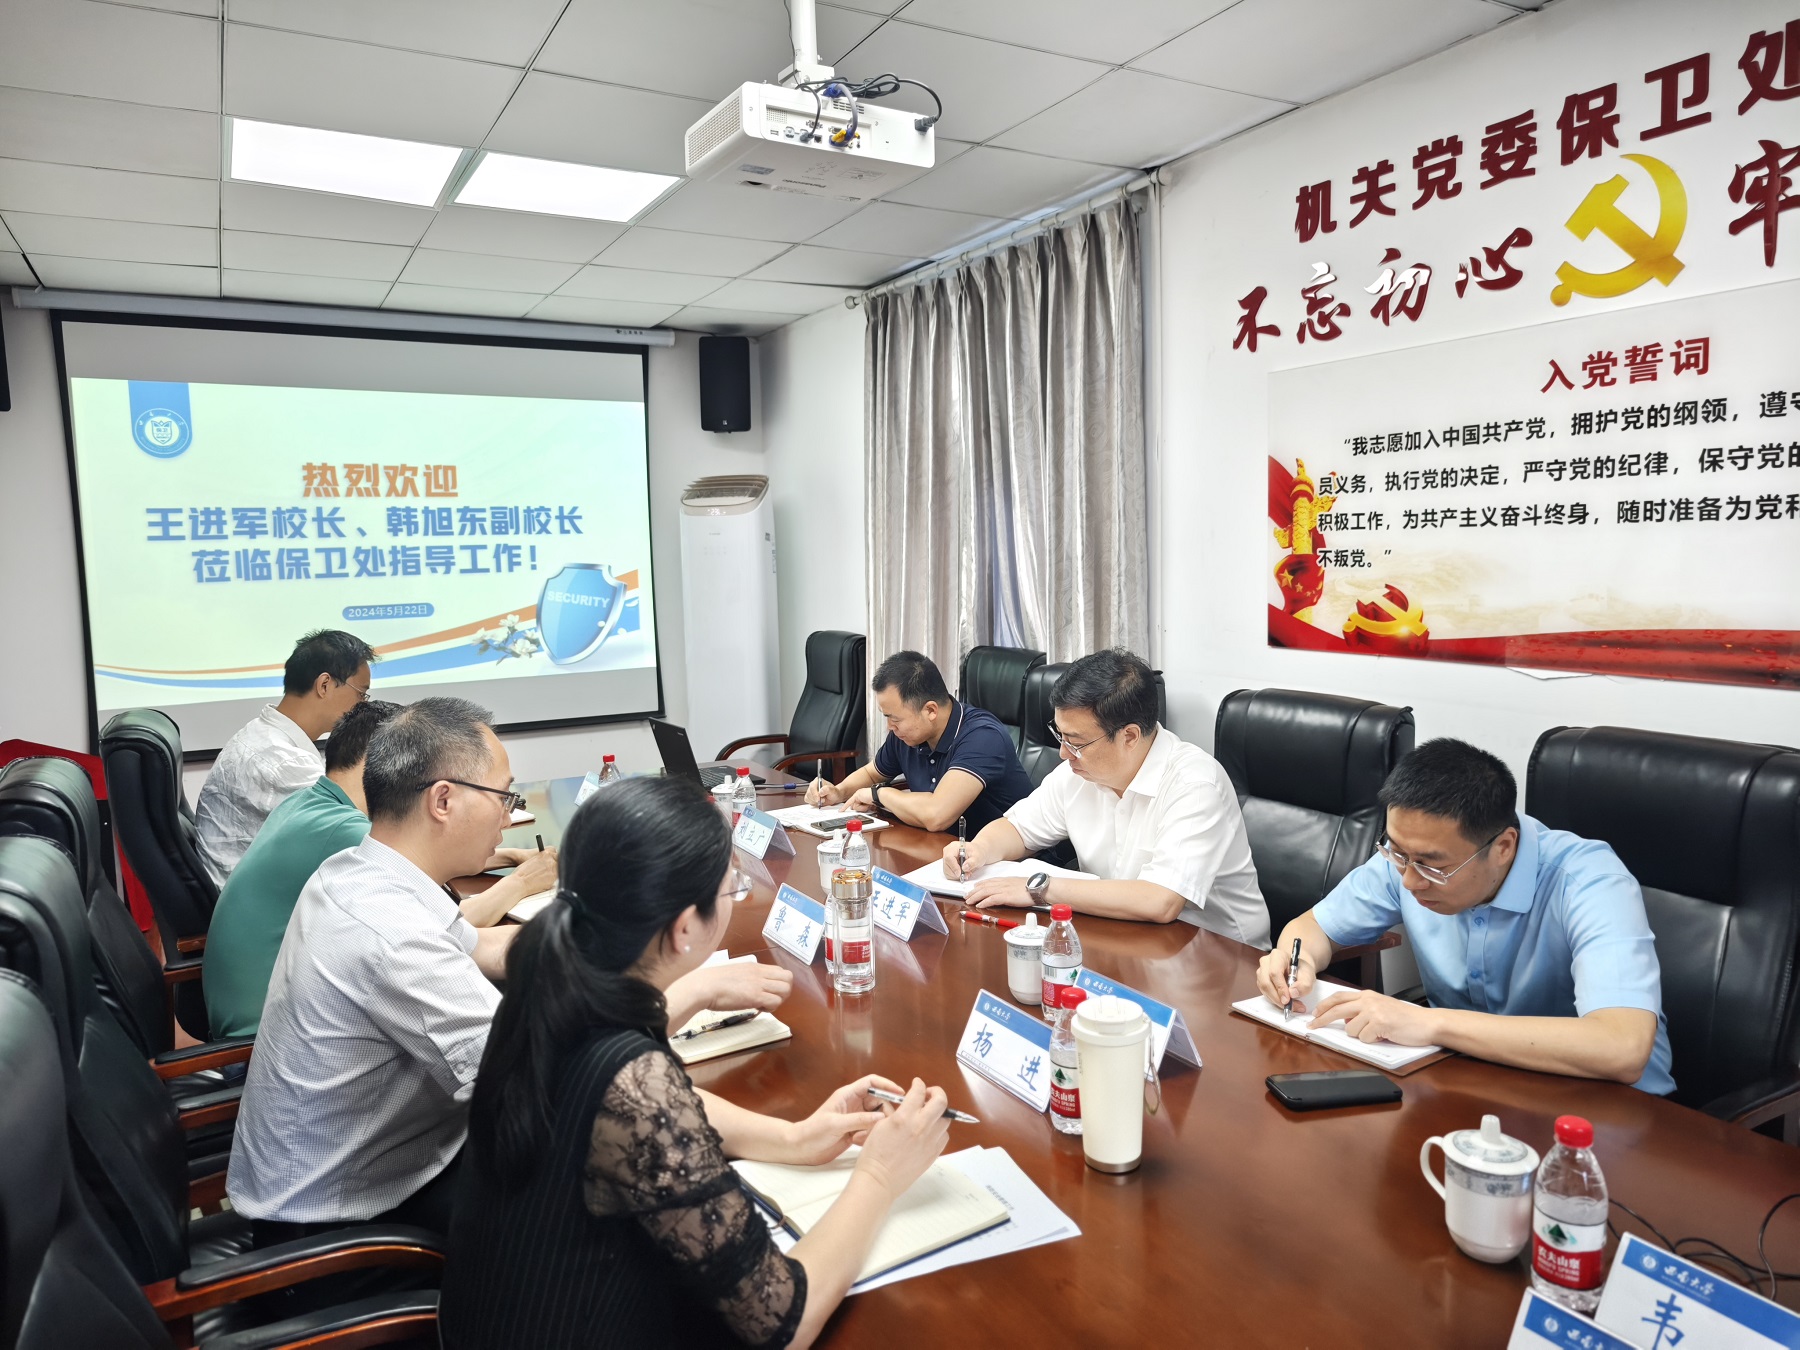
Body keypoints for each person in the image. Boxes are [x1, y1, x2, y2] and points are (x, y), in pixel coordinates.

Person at [229, 698, 794, 1244]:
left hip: (393, 1158)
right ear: (443, 800)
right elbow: (556, 1082)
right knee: (628, 1184)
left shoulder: (364, 871)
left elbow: (484, 946)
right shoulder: (388, 934)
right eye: (503, 796)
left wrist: (623, 937)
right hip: (350, 1220)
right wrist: (690, 990)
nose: (509, 813)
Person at [441, 776, 954, 1350]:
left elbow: (634, 1110)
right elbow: (781, 1319)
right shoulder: (631, 1077)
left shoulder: (551, 980)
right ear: (685, 927)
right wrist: (880, 1176)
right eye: (730, 886)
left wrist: (792, 1138)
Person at [1254, 738, 1674, 1093]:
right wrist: (1296, 961)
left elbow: (1622, 1047)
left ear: (1503, 847)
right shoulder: (1407, 858)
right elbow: (1313, 927)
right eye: (1396, 852)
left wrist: (1432, 1024)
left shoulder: (1590, 882)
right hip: (1477, 1084)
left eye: (1433, 866)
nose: (1410, 881)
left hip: (1610, 1109)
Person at [200, 699, 561, 1039]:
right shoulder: (352, 845)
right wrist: (521, 882)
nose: (505, 816)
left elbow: (467, 938)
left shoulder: (312, 809)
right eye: (502, 798)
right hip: (248, 1038)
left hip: (263, 1015)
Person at [945, 649, 1270, 944]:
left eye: (1076, 742)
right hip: (1127, 935)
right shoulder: (1078, 772)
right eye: (1060, 735)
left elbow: (1160, 901)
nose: (1063, 753)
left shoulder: (1195, 784)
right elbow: (1018, 829)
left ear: (1129, 736)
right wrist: (977, 850)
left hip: (1221, 956)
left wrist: (1038, 888)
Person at [194, 629, 376, 885]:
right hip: (254, 898)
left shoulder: (265, 734)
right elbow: (361, 828)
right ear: (324, 685)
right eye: (361, 693)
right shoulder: (282, 760)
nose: (363, 705)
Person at [806, 650, 1034, 833]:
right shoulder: (906, 735)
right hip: (943, 850)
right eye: (887, 718)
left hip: (1009, 862)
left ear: (931, 711)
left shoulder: (982, 737)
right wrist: (839, 791)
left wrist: (879, 795)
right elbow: (872, 773)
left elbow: (937, 815)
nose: (889, 727)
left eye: (895, 719)